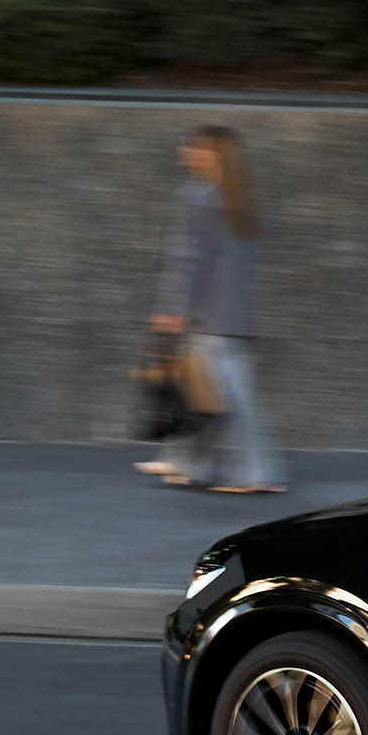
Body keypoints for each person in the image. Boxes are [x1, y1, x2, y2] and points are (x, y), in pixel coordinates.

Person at [135, 126, 285, 493]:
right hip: (234, 315)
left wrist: (173, 308)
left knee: (226, 397)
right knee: (206, 393)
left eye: (195, 146)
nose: (186, 151)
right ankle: (191, 465)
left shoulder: (198, 196)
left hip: (209, 316)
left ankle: (256, 474)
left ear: (214, 154)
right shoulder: (240, 198)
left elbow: (189, 260)